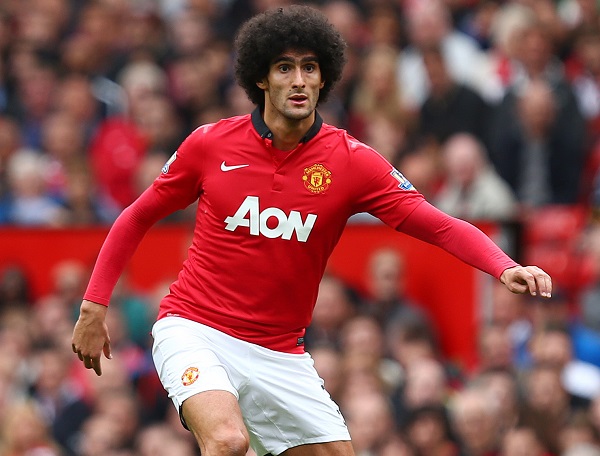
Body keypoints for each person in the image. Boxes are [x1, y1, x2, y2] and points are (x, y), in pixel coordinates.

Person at [71, 6, 553, 456]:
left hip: (280, 352)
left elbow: (437, 224)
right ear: (261, 77)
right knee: (229, 441)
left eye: (310, 68)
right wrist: (94, 306)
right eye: (285, 68)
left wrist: (503, 266)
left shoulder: (352, 162)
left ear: (325, 78)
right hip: (195, 328)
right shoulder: (209, 144)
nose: (299, 80)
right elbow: (136, 216)